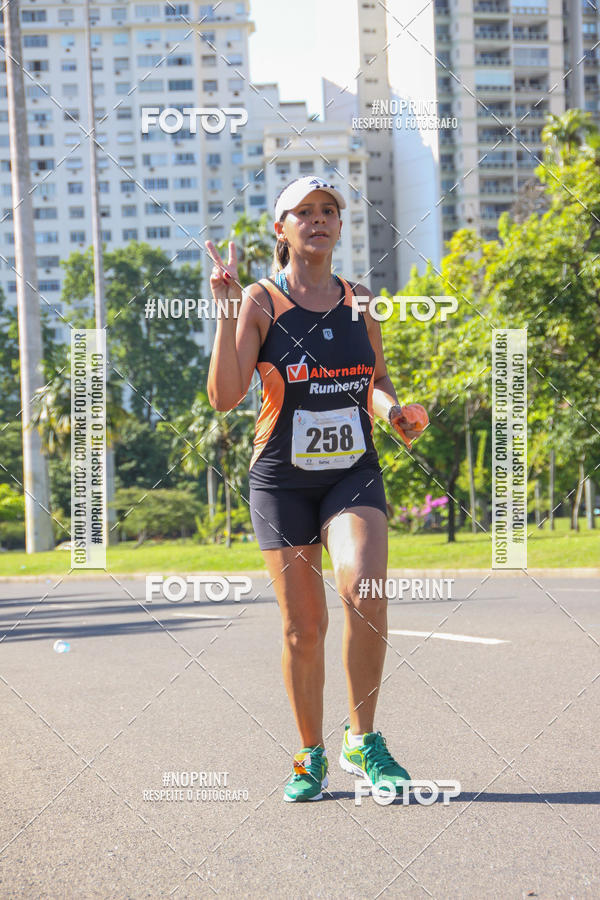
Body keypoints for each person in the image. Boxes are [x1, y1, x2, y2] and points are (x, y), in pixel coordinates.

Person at [206, 175, 428, 802]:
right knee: (304, 628)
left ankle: (364, 740)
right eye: (303, 212)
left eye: (328, 210)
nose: (319, 220)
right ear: (282, 229)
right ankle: (310, 754)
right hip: (281, 480)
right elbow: (225, 397)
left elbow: (375, 377)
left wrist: (394, 412)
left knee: (365, 591)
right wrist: (225, 311)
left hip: (352, 470)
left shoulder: (359, 297)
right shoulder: (260, 300)